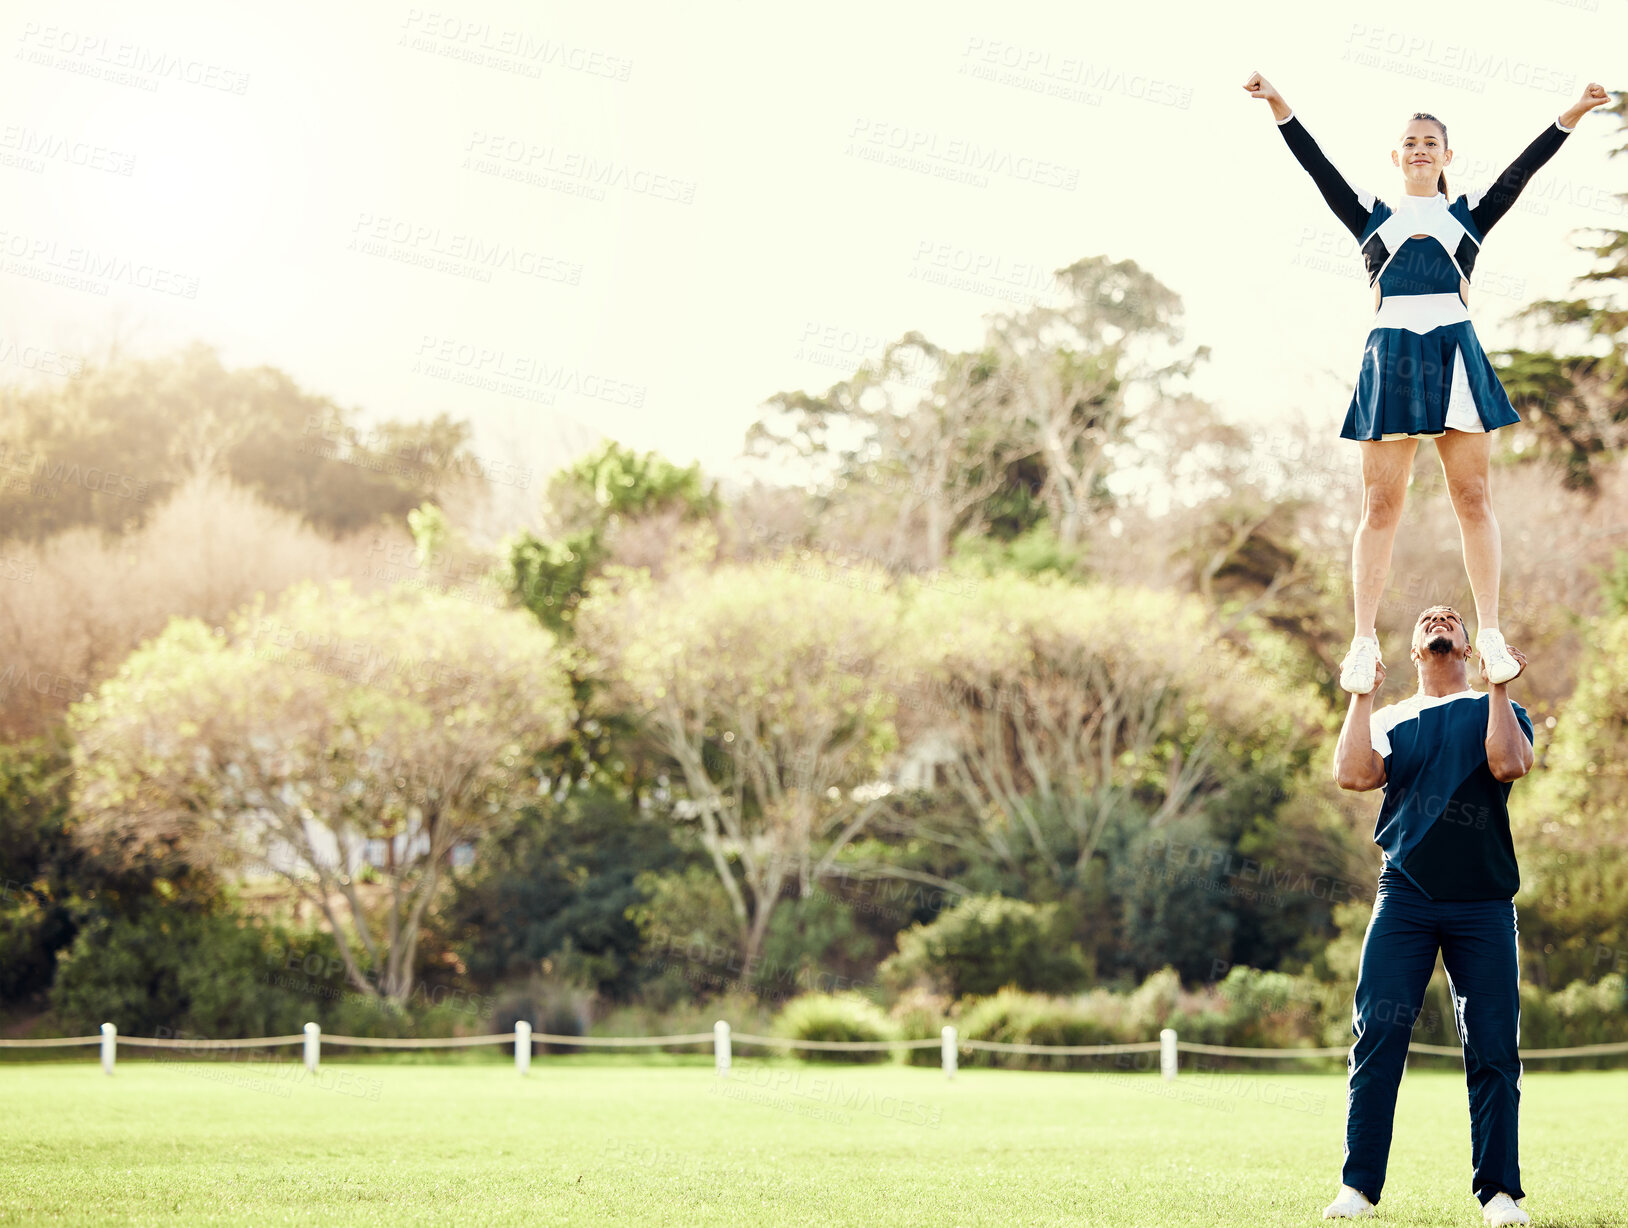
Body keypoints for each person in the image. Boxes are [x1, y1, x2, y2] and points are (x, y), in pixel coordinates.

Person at [1243, 72, 1611, 696]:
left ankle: (1489, 635)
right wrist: (1279, 105)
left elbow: (1522, 172)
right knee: (1380, 505)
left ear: (1446, 156)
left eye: (1430, 142)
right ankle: (1362, 644)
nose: (1419, 149)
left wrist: (1571, 113)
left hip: (1456, 357)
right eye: (1410, 142)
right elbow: (1317, 167)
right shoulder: (1371, 218)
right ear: (1397, 156)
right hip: (1391, 359)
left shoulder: (1468, 217)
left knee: (1473, 499)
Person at [1328, 605, 1535, 1225]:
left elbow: (1509, 764)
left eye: (1452, 620)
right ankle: (1358, 1189)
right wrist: (1360, 694)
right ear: (1414, 653)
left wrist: (1500, 682)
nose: (1439, 618)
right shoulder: (1391, 718)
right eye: (1427, 620)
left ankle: (1500, 1194)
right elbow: (1350, 773)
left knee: (1494, 1046)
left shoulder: (1497, 709)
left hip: (1484, 903)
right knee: (1379, 1033)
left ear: (1469, 649)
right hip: (1406, 900)